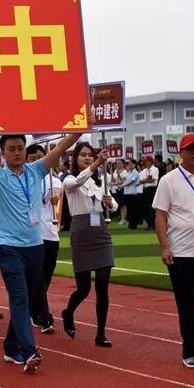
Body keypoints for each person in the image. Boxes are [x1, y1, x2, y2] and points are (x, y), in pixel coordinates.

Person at [0, 118, 79, 374]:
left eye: (20, 147)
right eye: (12, 149)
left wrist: (80, 128)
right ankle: (29, 350)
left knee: (29, 300)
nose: (17, 152)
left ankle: (10, 346)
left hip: (35, 246)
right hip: (8, 247)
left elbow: (61, 148)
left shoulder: (36, 170)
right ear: (3, 153)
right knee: (19, 299)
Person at [153, 134, 194, 368]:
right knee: (187, 302)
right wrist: (164, 247)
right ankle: (191, 350)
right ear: (180, 152)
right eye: (191, 149)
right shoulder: (169, 180)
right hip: (182, 253)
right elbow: (160, 215)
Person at [61, 143, 118, 347]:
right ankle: (68, 312)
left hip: (100, 231)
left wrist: (111, 203)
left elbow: (113, 203)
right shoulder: (69, 179)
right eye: (83, 155)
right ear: (75, 158)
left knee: (103, 284)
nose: (86, 158)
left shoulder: (99, 181)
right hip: (81, 231)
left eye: (90, 155)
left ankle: (101, 333)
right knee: (83, 289)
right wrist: (96, 163)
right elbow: (75, 182)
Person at [25, 143, 59, 334]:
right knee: (37, 278)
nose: (37, 160)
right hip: (34, 235)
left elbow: (56, 197)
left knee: (45, 278)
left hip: (51, 234)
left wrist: (54, 198)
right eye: (32, 158)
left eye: (40, 156)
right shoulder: (26, 180)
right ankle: (44, 316)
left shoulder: (56, 181)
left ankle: (33, 308)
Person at [139, 156, 159, 230]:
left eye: (147, 161)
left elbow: (152, 180)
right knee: (146, 207)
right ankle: (149, 224)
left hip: (152, 189)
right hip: (145, 189)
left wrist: (145, 180)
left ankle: (153, 224)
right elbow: (141, 180)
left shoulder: (155, 169)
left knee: (152, 207)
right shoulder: (144, 170)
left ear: (150, 161)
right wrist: (146, 180)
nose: (145, 162)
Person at [122, 160, 141, 229]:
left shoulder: (135, 173)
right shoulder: (128, 172)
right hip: (127, 193)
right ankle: (130, 225)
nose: (129, 165)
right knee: (129, 210)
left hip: (132, 193)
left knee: (133, 210)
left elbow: (131, 182)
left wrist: (122, 185)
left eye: (131, 164)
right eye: (129, 164)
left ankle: (134, 225)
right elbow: (123, 179)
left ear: (134, 165)